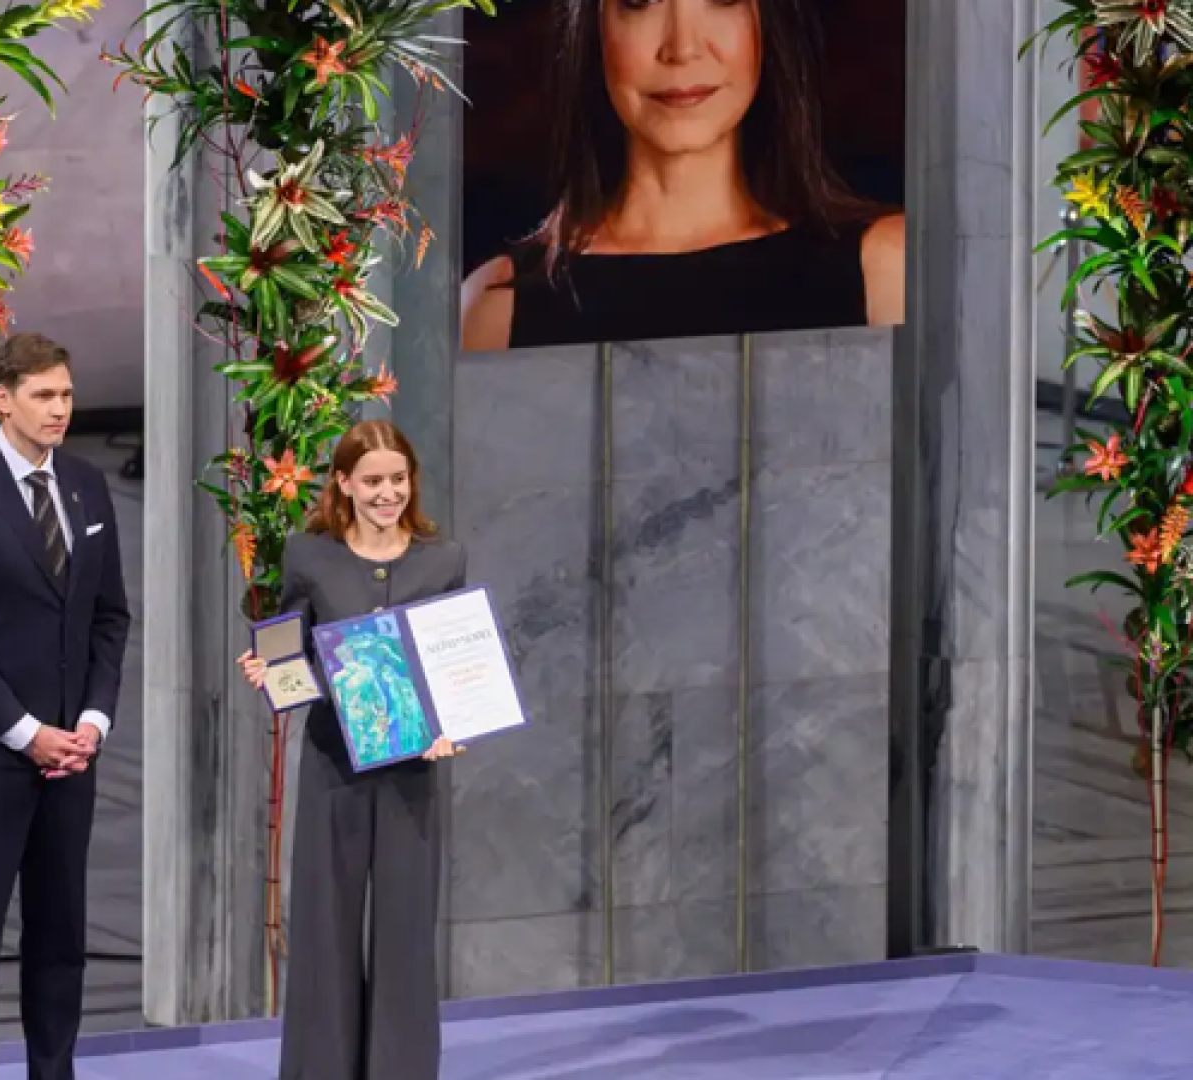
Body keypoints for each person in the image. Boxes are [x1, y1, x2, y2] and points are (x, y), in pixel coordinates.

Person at [0, 331, 131, 1080]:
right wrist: (26, 732)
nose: (60, 409)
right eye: (43, 395)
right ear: (0, 399)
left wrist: (92, 723)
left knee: (59, 936)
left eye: (66, 394)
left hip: (72, 754)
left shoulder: (85, 485)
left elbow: (110, 617)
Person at [460, 0, 904, 350]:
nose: (683, 47)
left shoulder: (887, 269)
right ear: (594, 25)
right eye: (641, 1)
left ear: (766, 18)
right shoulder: (494, 311)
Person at [236, 418, 466, 1080]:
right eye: (372, 481)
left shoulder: (444, 559)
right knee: (325, 928)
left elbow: (453, 661)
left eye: (398, 479)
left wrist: (453, 721)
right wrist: (269, 671)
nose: (387, 492)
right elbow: (292, 652)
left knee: (405, 933)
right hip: (333, 765)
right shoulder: (311, 557)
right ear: (343, 483)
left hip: (413, 775)